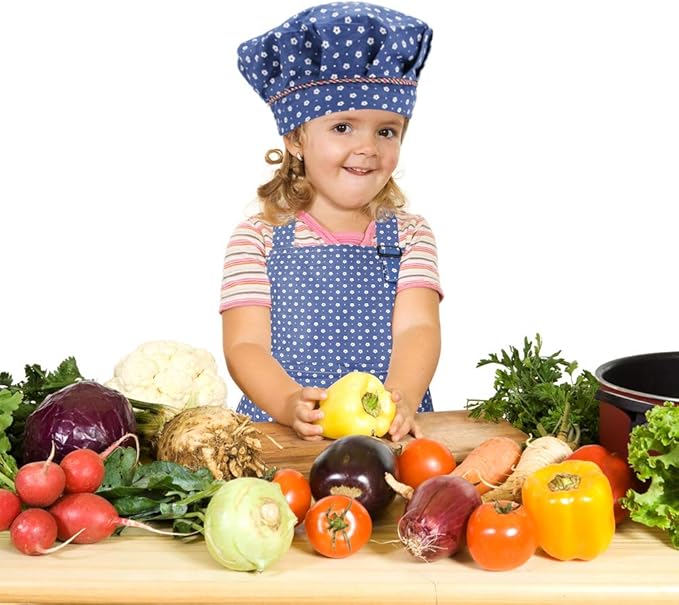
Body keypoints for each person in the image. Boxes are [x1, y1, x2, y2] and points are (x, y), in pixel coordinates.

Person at [220, 1, 442, 442]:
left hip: (385, 436)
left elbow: (418, 327)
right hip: (283, 435)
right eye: (343, 127)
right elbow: (245, 345)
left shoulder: (411, 235)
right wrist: (287, 402)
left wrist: (402, 398)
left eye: (386, 131)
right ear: (295, 138)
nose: (368, 148)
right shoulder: (258, 238)